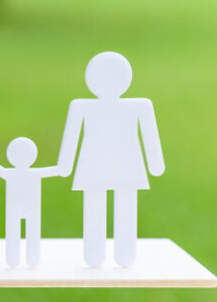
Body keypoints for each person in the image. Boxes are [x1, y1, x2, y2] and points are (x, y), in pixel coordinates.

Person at [56, 52, 165, 267]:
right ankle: (98, 254)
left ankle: (121, 254)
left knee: (119, 205)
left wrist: (65, 166)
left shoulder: (138, 106)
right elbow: (71, 138)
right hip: (111, 167)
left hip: (108, 167)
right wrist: (154, 165)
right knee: (100, 206)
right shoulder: (82, 107)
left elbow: (150, 137)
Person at [0, 137, 60, 268]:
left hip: (23, 209)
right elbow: (59, 170)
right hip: (25, 209)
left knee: (25, 231)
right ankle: (22, 259)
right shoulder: (31, 174)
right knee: (26, 231)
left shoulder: (11, 173)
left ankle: (23, 259)